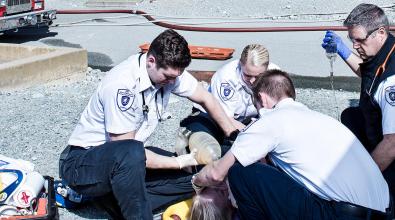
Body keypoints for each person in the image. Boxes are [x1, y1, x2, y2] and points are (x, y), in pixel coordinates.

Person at [58, 29, 238, 220]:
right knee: (135, 153)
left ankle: (113, 201)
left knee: (201, 176)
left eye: (176, 77)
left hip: (129, 162)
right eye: (168, 77)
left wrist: (232, 134)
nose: (172, 82)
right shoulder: (122, 85)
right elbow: (125, 150)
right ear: (151, 61)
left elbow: (205, 98)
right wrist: (176, 162)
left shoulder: (171, 72)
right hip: (83, 163)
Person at [192, 69, 393, 220]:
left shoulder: (272, 120)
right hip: (384, 209)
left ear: (261, 98)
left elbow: (216, 174)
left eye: (257, 106)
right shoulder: (322, 120)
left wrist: (197, 182)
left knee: (241, 173)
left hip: (341, 214)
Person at [321, 3, 395, 195]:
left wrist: (362, 181)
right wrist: (342, 50)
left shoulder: (392, 82)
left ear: (380, 32)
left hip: (391, 152)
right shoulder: (385, 52)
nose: (355, 45)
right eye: (351, 40)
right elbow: (368, 73)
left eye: (359, 40)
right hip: (378, 130)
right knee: (351, 116)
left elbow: (392, 144)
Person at [180, 44, 279, 150]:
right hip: (214, 116)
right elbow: (226, 119)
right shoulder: (226, 77)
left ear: (267, 68)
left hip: (247, 121)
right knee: (205, 146)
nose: (252, 81)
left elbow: (281, 112)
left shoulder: (276, 76)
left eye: (258, 76)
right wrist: (252, 136)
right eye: (248, 75)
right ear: (240, 64)